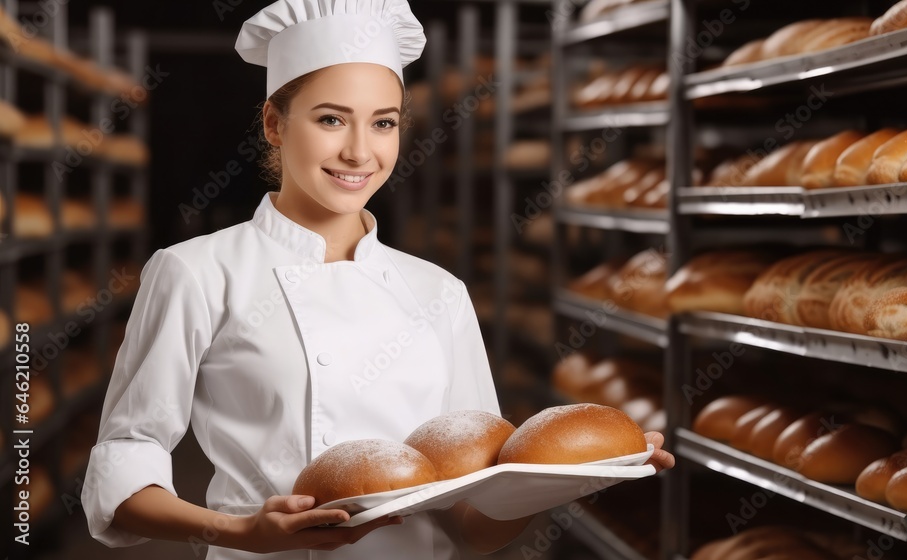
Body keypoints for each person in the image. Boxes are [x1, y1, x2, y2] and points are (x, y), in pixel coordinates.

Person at [81, 1, 675, 558]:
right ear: (274, 124)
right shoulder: (196, 271)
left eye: (383, 123)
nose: (360, 152)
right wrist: (242, 531)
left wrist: (560, 478)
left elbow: (472, 525)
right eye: (332, 119)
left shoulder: (437, 292)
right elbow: (127, 456)